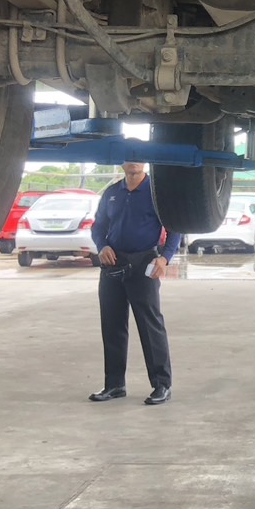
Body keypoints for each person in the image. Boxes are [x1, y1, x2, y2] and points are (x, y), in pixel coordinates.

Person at [88, 161, 181, 405]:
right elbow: (98, 227)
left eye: (138, 157)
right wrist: (102, 246)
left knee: (150, 325)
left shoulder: (156, 193)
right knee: (112, 324)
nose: (133, 162)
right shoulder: (112, 192)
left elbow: (175, 228)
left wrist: (164, 258)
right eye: (129, 158)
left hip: (144, 262)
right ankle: (114, 384)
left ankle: (162, 384)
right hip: (113, 263)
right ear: (122, 163)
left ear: (144, 162)